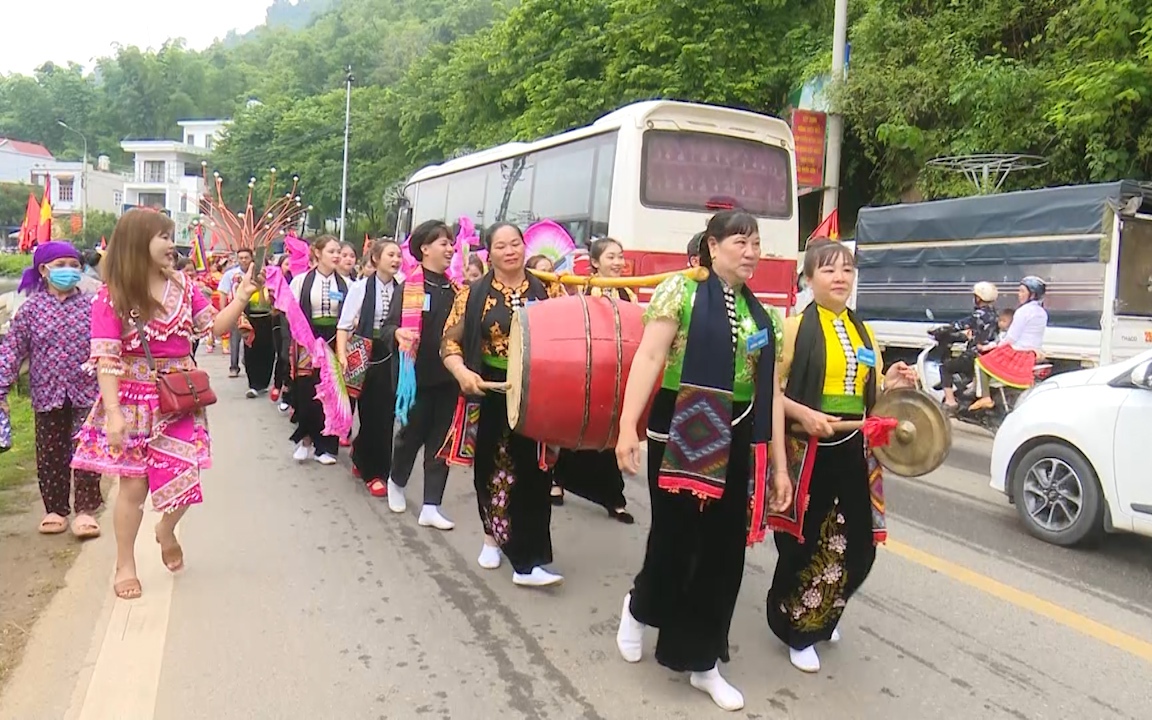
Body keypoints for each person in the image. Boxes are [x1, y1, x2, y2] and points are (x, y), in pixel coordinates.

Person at [613, 211, 791, 711]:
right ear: (713, 246)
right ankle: (640, 607)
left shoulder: (764, 316)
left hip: (737, 433)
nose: (752, 251)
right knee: (675, 542)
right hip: (680, 426)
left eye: (757, 242)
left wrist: (778, 465)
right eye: (741, 241)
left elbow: (772, 394)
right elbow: (649, 359)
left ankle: (702, 659)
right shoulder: (680, 291)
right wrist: (627, 427)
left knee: (723, 553)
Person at [70, 209, 257, 600]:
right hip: (132, 399)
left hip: (179, 397)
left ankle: (166, 529)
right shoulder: (114, 295)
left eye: (172, 236)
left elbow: (214, 328)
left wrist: (240, 299)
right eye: (163, 237)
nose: (172, 244)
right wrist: (114, 414)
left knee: (188, 477)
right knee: (133, 489)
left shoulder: (186, 288)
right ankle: (125, 564)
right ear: (139, 243)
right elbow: (106, 360)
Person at [766, 237, 917, 673]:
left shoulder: (863, 330)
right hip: (806, 448)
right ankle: (796, 628)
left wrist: (892, 380)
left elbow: (869, 392)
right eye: (829, 270)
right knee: (802, 543)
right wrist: (803, 413)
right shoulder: (793, 328)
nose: (840, 277)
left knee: (860, 545)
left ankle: (824, 609)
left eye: (847, 270)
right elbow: (770, 392)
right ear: (809, 279)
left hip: (852, 447)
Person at [441, 222, 566, 586]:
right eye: (501, 246)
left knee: (537, 472)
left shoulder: (550, 288)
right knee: (494, 472)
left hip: (538, 391)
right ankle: (494, 537)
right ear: (489, 253)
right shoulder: (473, 294)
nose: (510, 251)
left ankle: (531, 559)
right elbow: (449, 342)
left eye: (516, 244)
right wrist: (462, 372)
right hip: (492, 390)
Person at [0, 241, 103, 539]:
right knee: (50, 453)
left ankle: (85, 510)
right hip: (47, 392)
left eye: (74, 265)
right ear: (43, 270)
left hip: (87, 390)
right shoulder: (31, 309)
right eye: (60, 266)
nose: (69, 271)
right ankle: (55, 510)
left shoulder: (92, 305)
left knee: (86, 450)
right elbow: (12, 351)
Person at [550, 237, 635, 523]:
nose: (618, 263)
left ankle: (613, 497)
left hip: (618, 373)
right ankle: (558, 481)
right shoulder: (584, 291)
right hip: (589, 371)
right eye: (611, 257)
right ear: (595, 263)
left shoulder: (627, 293)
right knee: (579, 432)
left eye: (620, 257)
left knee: (609, 435)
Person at [386, 221, 460, 529]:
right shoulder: (409, 287)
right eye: (443, 243)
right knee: (411, 436)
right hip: (415, 379)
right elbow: (388, 327)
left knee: (442, 442)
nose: (449, 248)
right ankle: (396, 481)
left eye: (450, 243)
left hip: (448, 379)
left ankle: (432, 505)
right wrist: (399, 332)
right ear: (425, 248)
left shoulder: (456, 290)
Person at [337, 239, 402, 497]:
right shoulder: (361, 288)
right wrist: (342, 355)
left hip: (394, 353)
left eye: (398, 255)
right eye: (390, 255)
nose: (396, 260)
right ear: (375, 259)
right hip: (365, 352)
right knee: (368, 411)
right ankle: (370, 466)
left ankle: (374, 466)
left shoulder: (405, 289)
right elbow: (344, 325)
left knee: (386, 414)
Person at [288, 236, 348, 465]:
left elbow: (350, 317)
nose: (336, 256)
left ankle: (325, 447)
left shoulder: (346, 284)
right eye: (332, 251)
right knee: (306, 391)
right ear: (318, 253)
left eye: (338, 252)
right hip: (306, 342)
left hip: (333, 341)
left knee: (331, 394)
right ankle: (304, 440)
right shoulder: (301, 281)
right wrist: (304, 339)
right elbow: (291, 314)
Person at [968, 276, 1048, 412]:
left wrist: (989, 347)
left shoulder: (1023, 311)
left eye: (1022, 291)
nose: (1019, 295)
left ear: (1032, 294)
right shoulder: (1042, 312)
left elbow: (1011, 338)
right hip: (1032, 354)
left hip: (1017, 353)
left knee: (981, 363)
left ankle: (985, 397)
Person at [941, 282, 999, 409]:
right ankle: (968, 390)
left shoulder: (978, 315)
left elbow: (961, 324)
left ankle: (950, 402)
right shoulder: (994, 314)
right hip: (988, 354)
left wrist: (943, 329)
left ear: (979, 298)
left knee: (945, 368)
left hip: (974, 354)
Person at [237, 253, 276, 400]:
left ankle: (263, 382)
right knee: (251, 352)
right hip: (251, 320)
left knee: (267, 352)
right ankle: (253, 384)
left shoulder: (272, 284)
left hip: (268, 320)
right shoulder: (246, 283)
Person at [218, 251, 250, 377]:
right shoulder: (230, 275)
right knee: (235, 339)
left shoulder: (256, 273)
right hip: (235, 310)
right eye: (241, 258)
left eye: (246, 257)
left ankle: (248, 362)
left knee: (251, 338)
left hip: (253, 310)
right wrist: (223, 312)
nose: (243, 260)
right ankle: (234, 367)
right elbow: (222, 292)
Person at [270, 254, 295, 412]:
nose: (290, 267)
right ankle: (278, 384)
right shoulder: (277, 282)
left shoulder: (300, 280)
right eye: (287, 264)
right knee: (283, 355)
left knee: (293, 358)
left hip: (296, 323)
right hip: (280, 320)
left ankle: (288, 392)